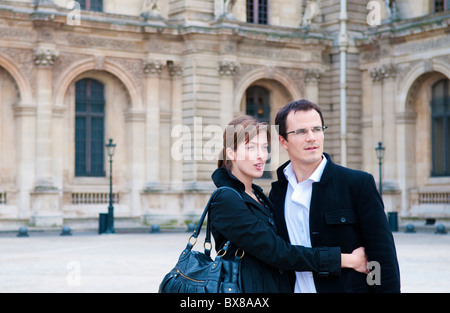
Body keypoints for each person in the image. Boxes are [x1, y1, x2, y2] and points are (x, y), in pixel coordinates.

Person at [209, 115, 368, 293]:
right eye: (251, 147)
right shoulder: (226, 200)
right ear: (231, 153)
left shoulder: (259, 195)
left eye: (264, 147)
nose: (261, 155)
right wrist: (345, 260)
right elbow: (278, 252)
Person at [270, 99, 401, 293]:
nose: (311, 137)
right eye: (301, 132)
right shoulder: (277, 194)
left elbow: (382, 259)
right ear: (283, 141)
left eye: (317, 129)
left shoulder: (357, 184)